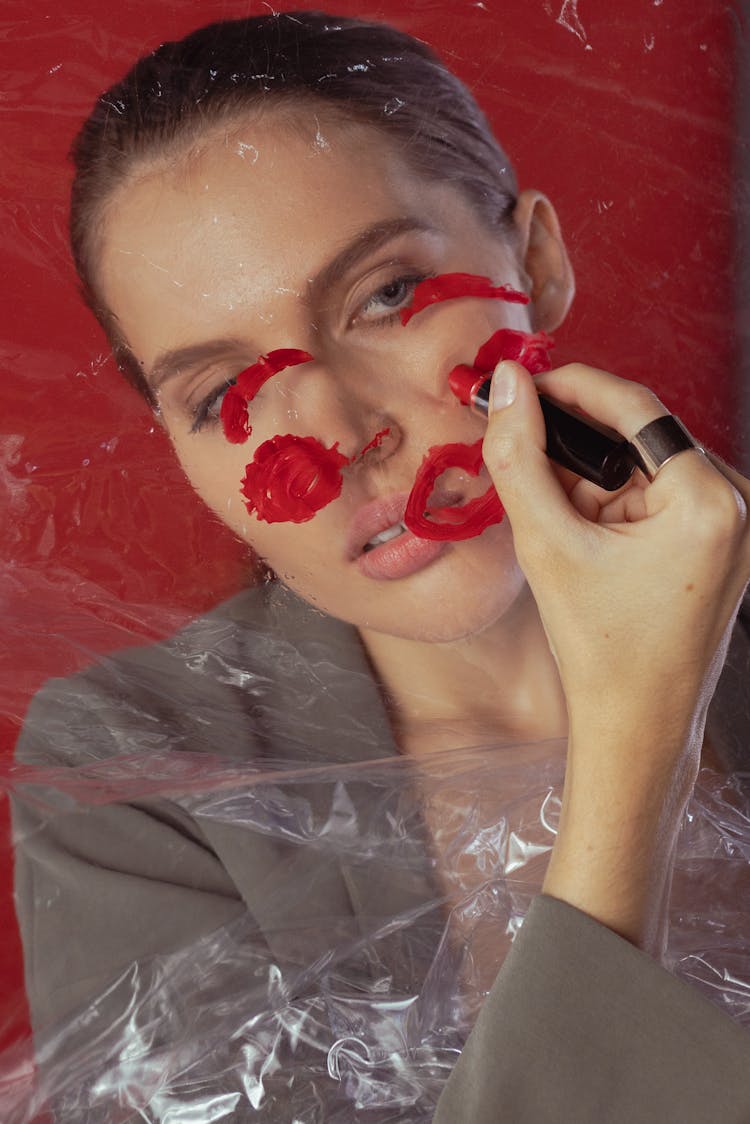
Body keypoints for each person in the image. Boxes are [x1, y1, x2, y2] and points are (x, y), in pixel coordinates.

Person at [9, 10, 750, 1122]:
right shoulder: (134, 773)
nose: (339, 435)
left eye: (386, 296)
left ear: (535, 264)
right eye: (222, 397)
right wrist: (635, 744)